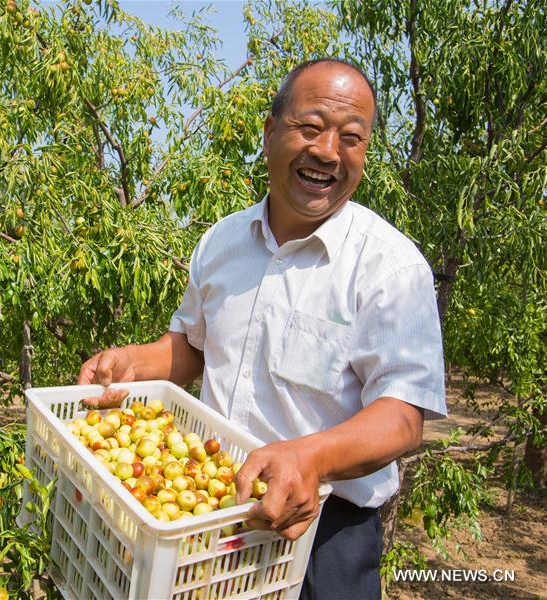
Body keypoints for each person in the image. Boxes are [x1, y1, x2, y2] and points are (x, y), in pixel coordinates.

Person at [77, 58, 447, 599]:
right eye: (311, 127)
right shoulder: (222, 244)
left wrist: (309, 458)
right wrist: (134, 362)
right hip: (210, 512)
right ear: (270, 132)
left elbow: (402, 417)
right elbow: (192, 349)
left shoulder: (390, 267)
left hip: (323, 535)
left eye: (351, 138)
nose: (327, 152)